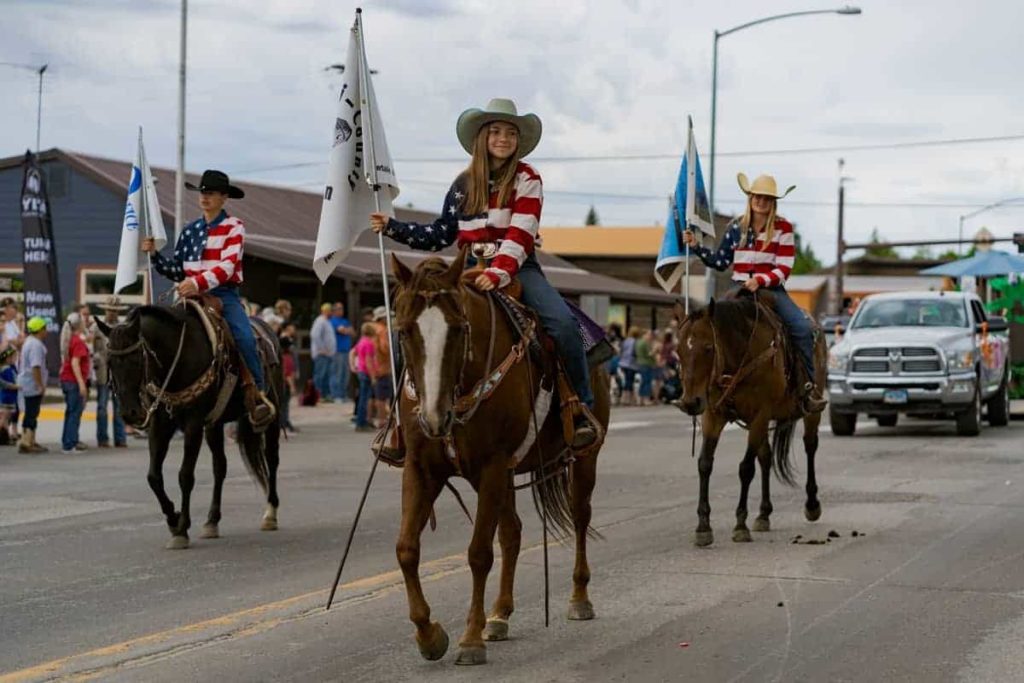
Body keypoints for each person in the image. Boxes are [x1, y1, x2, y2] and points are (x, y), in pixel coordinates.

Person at [369, 97, 598, 448]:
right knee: (413, 327)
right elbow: (442, 233)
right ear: (482, 137)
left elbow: (521, 233)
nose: (503, 138)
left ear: (518, 140)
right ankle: (402, 421)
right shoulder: (462, 184)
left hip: (519, 267)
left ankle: (579, 406)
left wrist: (499, 272)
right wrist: (393, 227)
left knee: (563, 325)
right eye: (495, 131)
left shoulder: (528, 178)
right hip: (466, 269)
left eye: (510, 132)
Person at [142, 169, 276, 431]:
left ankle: (257, 394)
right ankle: (157, 395)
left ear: (224, 198)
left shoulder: (234, 227)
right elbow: (178, 269)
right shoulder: (189, 230)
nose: (205, 197)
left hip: (223, 295)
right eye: (203, 192)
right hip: (188, 294)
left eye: (211, 193)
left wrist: (197, 282)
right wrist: (155, 256)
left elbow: (227, 267)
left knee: (244, 337)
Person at [683, 172, 825, 413]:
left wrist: (760, 279)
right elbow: (720, 262)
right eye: (757, 197)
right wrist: (696, 247)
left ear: (773, 202)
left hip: (772, 289)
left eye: (767, 198)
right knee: (710, 327)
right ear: (750, 198)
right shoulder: (735, 228)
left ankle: (806, 388)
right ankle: (710, 386)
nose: (761, 202)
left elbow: (784, 267)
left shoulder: (783, 228)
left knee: (802, 328)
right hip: (738, 288)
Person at [93, 295, 128, 448]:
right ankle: (102, 439)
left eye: (115, 310)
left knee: (119, 407)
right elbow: (92, 348)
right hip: (102, 372)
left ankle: (120, 439)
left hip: (118, 374)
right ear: (105, 310)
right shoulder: (96, 327)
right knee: (101, 407)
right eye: (110, 310)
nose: (112, 313)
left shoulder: (123, 328)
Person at [60, 312, 91, 454]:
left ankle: (67, 441)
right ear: (79, 324)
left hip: (67, 380)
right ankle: (69, 444)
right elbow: (75, 363)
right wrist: (82, 384)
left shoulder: (70, 339)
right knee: (74, 413)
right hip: (73, 382)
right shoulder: (77, 341)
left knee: (70, 412)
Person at [17, 317, 49, 454]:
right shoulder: (36, 345)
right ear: (39, 330)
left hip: (27, 383)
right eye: (45, 328)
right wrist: (40, 385)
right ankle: (26, 442)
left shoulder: (29, 342)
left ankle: (30, 440)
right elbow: (35, 367)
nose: (46, 331)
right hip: (32, 384)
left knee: (31, 412)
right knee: (32, 413)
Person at [352, 322, 378, 432]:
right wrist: (373, 376)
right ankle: (361, 423)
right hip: (366, 372)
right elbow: (369, 360)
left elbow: (354, 353)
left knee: (362, 398)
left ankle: (361, 421)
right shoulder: (369, 343)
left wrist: (353, 366)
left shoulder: (361, 342)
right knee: (365, 399)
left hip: (361, 371)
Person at [371, 306, 394, 428]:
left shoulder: (373, 329)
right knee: (383, 396)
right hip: (383, 366)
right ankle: (383, 419)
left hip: (375, 366)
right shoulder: (383, 330)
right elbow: (385, 348)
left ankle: (380, 418)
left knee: (377, 395)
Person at [310, 303, 336, 403]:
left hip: (328, 354)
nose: (332, 313)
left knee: (326, 376)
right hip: (321, 354)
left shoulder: (327, 321)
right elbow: (315, 335)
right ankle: (317, 395)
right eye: (331, 311)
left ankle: (325, 395)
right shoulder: (320, 321)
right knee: (320, 375)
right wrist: (321, 349)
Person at [329, 302, 354, 403]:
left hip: (347, 351)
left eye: (342, 308)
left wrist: (346, 330)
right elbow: (343, 331)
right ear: (334, 310)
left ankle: (343, 395)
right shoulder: (333, 320)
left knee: (346, 374)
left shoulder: (345, 320)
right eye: (339, 309)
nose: (341, 310)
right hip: (337, 351)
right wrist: (346, 330)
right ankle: (336, 395)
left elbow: (353, 332)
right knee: (337, 373)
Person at [278, 323, 299, 433]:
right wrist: (292, 387)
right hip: (285, 383)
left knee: (283, 403)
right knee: (284, 404)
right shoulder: (287, 359)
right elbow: (288, 374)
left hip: (281, 382)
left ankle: (284, 422)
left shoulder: (282, 357)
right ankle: (283, 422)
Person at [618, 327, 641, 406]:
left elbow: (621, 351)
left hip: (623, 363)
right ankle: (627, 399)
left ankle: (624, 398)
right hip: (631, 364)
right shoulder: (635, 342)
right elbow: (635, 353)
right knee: (629, 381)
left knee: (627, 380)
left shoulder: (625, 341)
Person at [0, 346, 18, 444]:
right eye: (14, 357)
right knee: (4, 418)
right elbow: (8, 383)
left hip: (10, 397)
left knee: (6, 418)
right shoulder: (6, 369)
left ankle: (5, 436)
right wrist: (16, 386)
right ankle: (3, 435)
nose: (15, 359)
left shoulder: (11, 368)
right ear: (7, 358)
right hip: (7, 397)